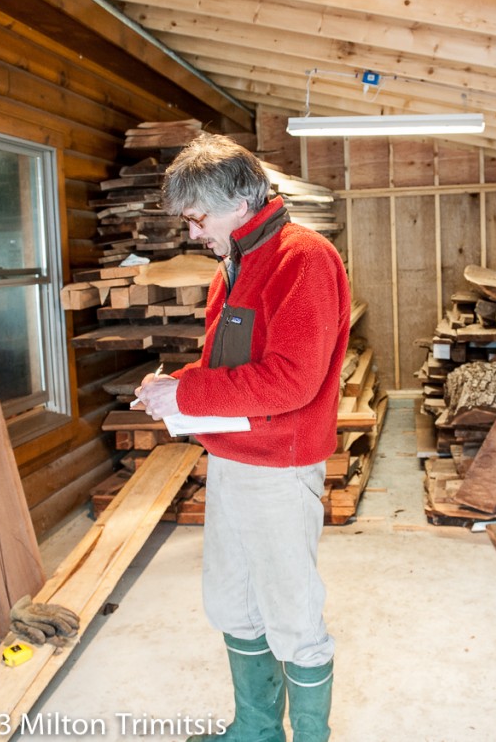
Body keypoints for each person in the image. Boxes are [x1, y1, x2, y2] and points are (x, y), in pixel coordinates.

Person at [135, 134, 351, 742]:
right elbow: (226, 369)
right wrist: (174, 386)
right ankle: (255, 730)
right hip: (231, 456)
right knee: (232, 602)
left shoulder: (301, 259)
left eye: (197, 218)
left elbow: (292, 382)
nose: (193, 232)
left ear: (235, 203)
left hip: (278, 468)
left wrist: (187, 397)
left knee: (292, 615)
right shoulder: (232, 265)